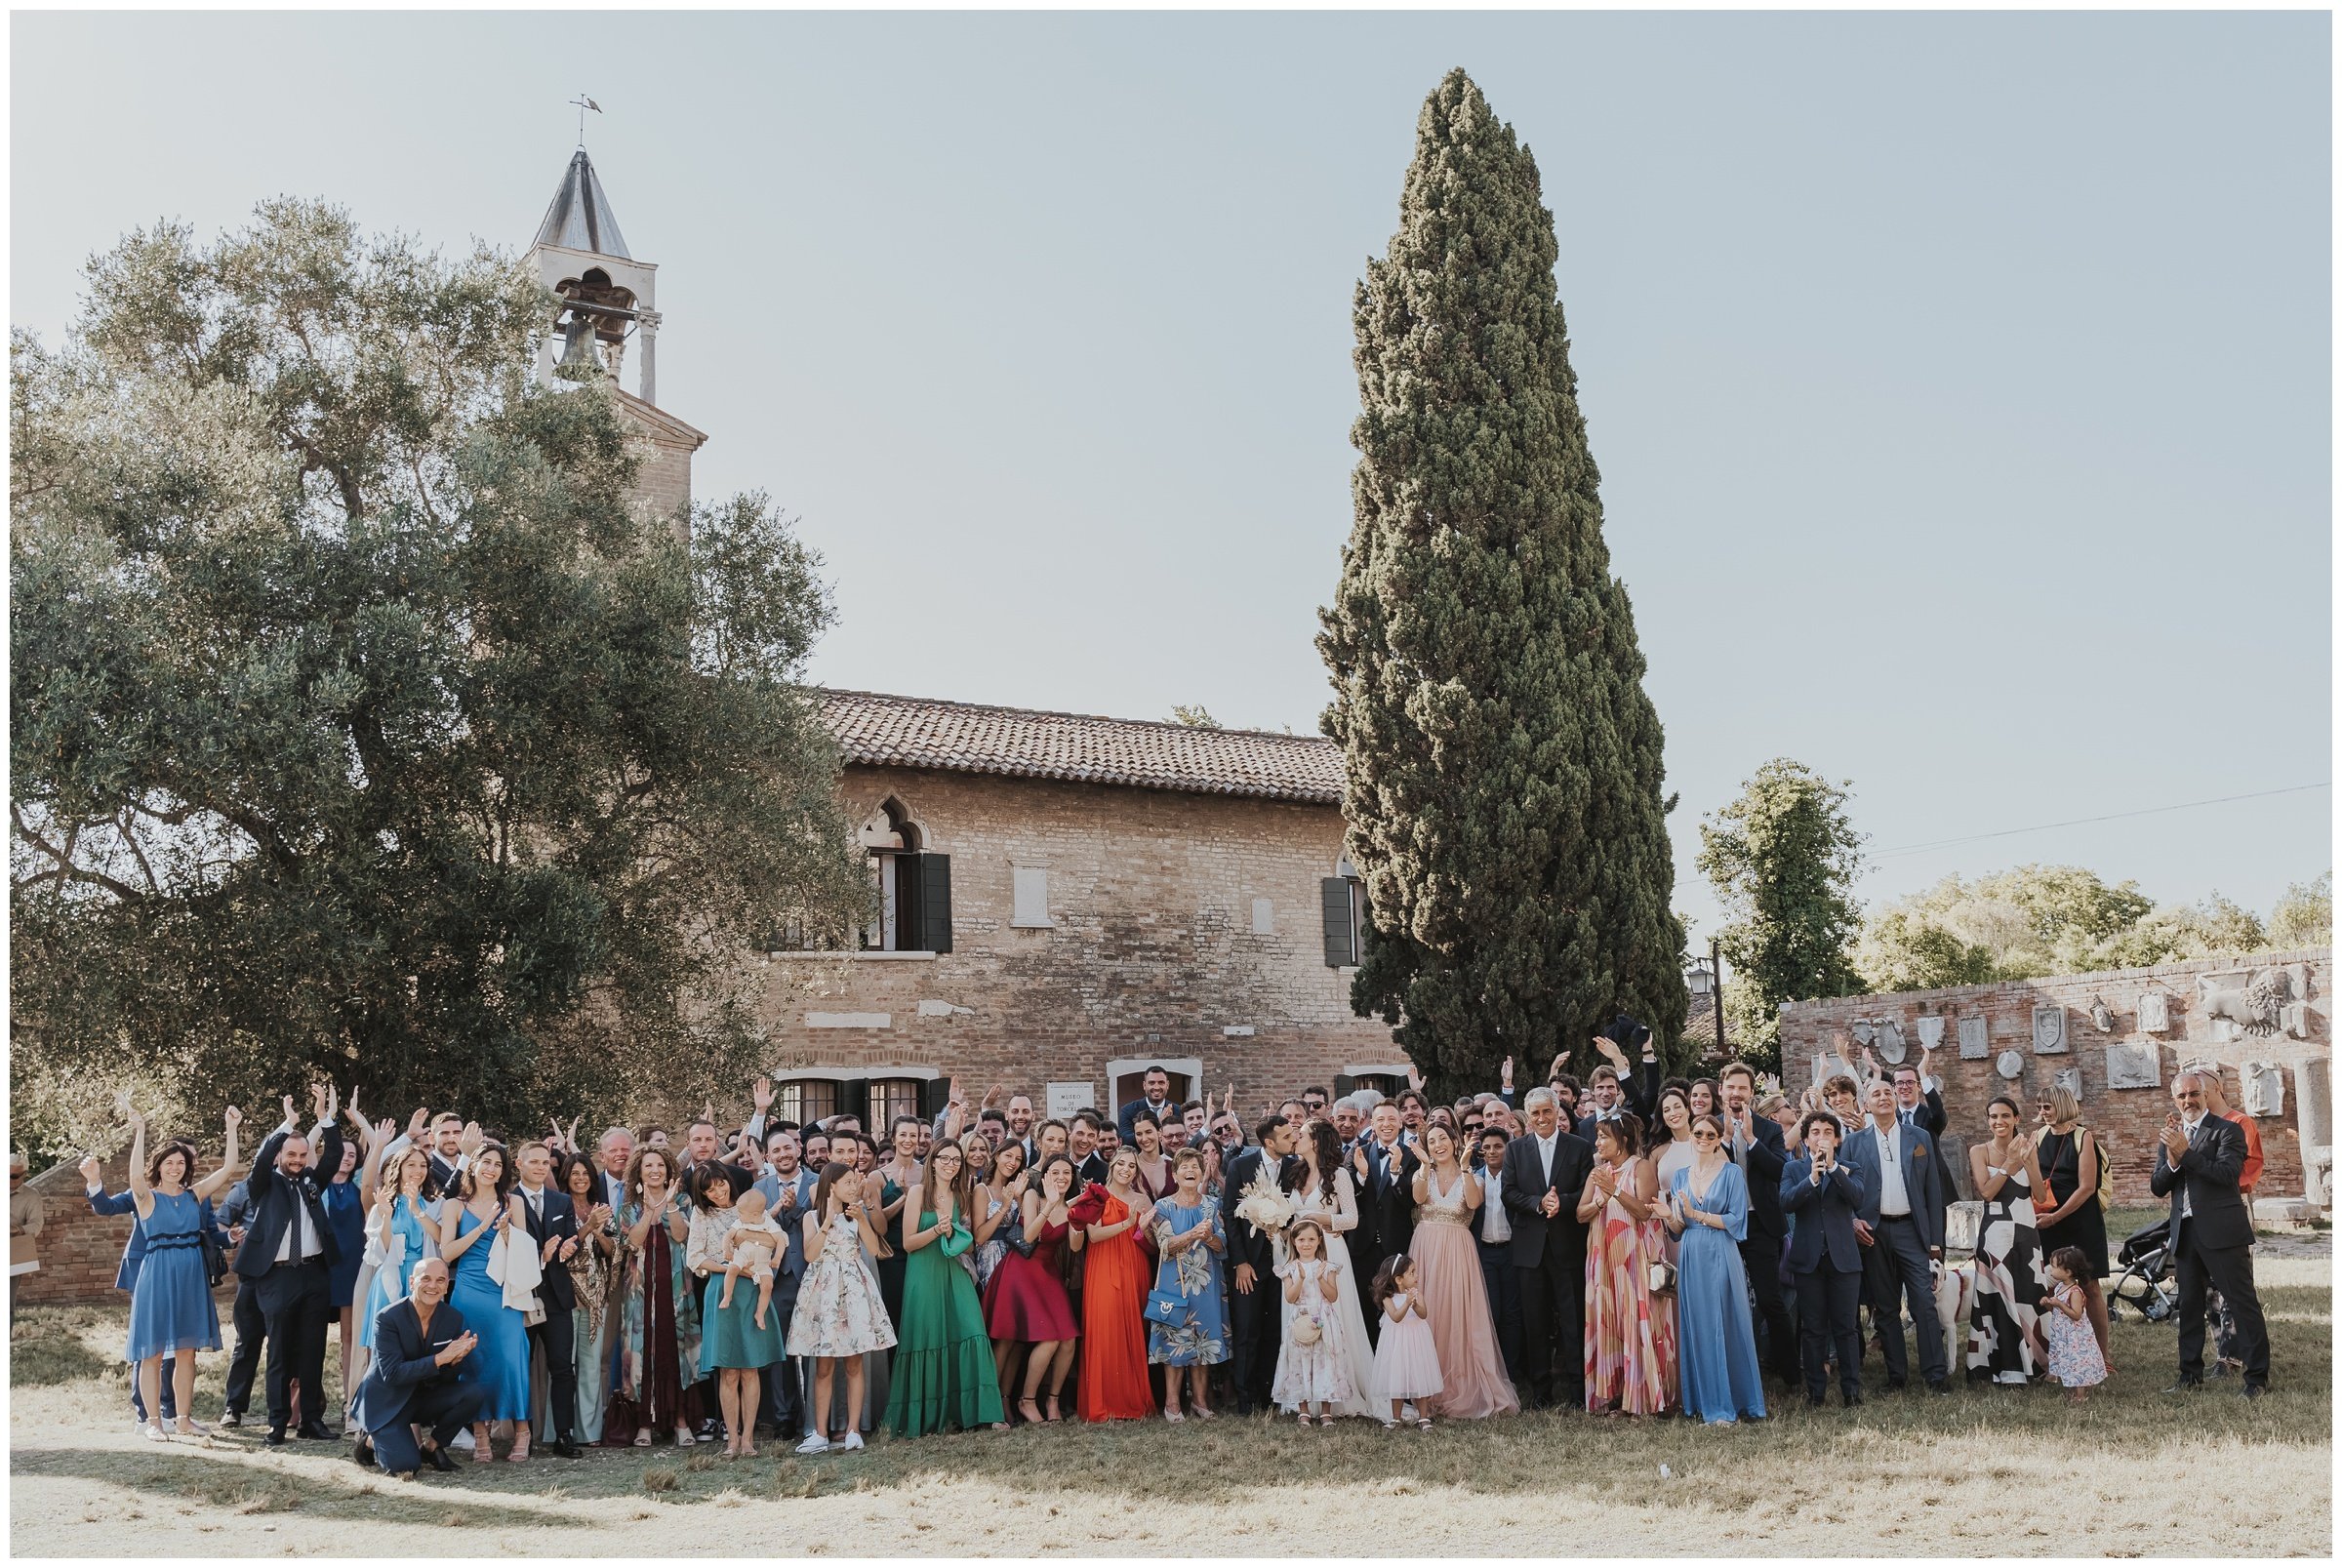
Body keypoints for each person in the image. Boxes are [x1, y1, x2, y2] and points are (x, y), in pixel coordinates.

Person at [121, 1102, 242, 1439]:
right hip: (158, 1272)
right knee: (153, 1351)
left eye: (180, 1163)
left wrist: (231, 1128)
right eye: (168, 1163)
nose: (175, 1168)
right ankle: (154, 1423)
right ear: (158, 1166)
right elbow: (133, 1176)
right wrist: (140, 1130)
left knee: (187, 1351)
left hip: (190, 1272)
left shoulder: (195, 1195)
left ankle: (184, 1419)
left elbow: (230, 1167)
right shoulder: (146, 1197)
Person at [235, 1084, 346, 1446]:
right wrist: (287, 1124)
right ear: (280, 1155)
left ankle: (311, 1420)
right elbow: (260, 1159)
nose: (298, 1160)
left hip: (315, 1273)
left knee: (313, 1349)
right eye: (292, 1155)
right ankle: (277, 1422)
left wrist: (324, 1118)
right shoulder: (263, 1184)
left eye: (303, 1155)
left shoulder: (313, 1181)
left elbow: (333, 1156)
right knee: (280, 1351)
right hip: (276, 1277)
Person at [2151, 1070, 2269, 1397]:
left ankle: (2256, 1378)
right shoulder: (2172, 1135)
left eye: (2193, 1094)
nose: (2188, 1101)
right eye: (2181, 1096)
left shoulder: (2227, 1130)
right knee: (2188, 1306)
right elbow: (2158, 1186)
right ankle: (2189, 1375)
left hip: (2222, 1232)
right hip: (2185, 1232)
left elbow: (2227, 1174)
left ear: (2205, 1095)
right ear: (2174, 1100)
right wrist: (2173, 1159)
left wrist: (2185, 1153)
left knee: (2241, 1302)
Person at [886, 1140, 1007, 1436]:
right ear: (933, 1160)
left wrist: (956, 1234)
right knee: (927, 1337)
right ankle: (928, 1416)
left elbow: (967, 1243)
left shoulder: (961, 1195)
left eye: (956, 1160)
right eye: (945, 1158)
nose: (951, 1164)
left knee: (971, 1330)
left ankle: (983, 1412)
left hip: (954, 1272)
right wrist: (936, 1230)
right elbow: (908, 1243)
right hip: (924, 1272)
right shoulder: (917, 1193)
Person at [1842, 1081, 1951, 1394]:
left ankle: (1935, 1375)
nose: (1884, 1097)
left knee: (1923, 1303)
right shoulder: (1853, 1143)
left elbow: (1933, 1191)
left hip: (1912, 1231)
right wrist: (1852, 1221)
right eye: (1876, 1094)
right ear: (1866, 1105)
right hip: (1873, 1233)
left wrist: (1934, 1241)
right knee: (1886, 1307)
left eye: (1888, 1092)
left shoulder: (1919, 1138)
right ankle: (1897, 1376)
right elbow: (1844, 1191)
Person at [1407, 1123, 1517, 1419]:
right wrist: (1423, 1164)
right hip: (1426, 1248)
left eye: (1442, 1138)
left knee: (1456, 1314)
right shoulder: (1424, 1174)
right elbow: (1418, 1199)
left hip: (1458, 1250)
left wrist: (1467, 1168)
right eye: (1431, 1141)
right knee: (1428, 1311)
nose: (1438, 1144)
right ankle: (1425, 1385)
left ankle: (1458, 1383)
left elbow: (1472, 1202)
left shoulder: (1474, 1176)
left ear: (1455, 1141)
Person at [787, 1163, 897, 1454]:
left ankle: (853, 1429)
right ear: (831, 1185)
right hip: (823, 1291)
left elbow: (873, 1250)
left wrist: (862, 1219)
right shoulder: (811, 1217)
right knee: (822, 1366)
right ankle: (820, 1433)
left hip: (853, 1289)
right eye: (848, 1182)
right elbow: (811, 1254)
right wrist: (827, 1223)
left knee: (854, 1362)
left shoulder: (855, 1215)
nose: (853, 1187)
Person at [1663, 1114, 1766, 1425]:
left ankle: (1733, 1402)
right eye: (1698, 1133)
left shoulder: (1732, 1173)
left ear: (1719, 1138)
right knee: (1699, 1324)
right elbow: (1679, 1228)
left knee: (1726, 1322)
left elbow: (1737, 1221)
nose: (1704, 1139)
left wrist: (1698, 1213)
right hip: (1691, 1253)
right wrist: (1665, 1215)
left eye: (1710, 1134)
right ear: (1691, 1136)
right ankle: (1702, 1400)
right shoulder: (1680, 1176)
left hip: (1721, 1249)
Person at [436, 1141, 535, 1460]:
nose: (492, 1169)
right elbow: (447, 1253)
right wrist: (481, 1228)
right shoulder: (454, 1206)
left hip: (504, 1290)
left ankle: (522, 1430)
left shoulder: (513, 1203)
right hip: (469, 1291)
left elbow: (525, 1251)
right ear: (474, 1165)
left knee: (511, 1357)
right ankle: (481, 1434)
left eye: (498, 1164)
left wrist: (506, 1233)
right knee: (473, 1360)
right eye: (486, 1162)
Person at [347, 1258, 486, 1479]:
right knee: (406, 1467)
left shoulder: (452, 1318)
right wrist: (441, 1358)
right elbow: (392, 1375)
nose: (433, 1286)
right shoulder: (387, 1318)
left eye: (440, 1280)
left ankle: (432, 1447)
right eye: (426, 1279)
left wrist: (455, 1360)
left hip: (422, 1397)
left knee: (473, 1393)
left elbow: (447, 1379)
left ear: (446, 1286)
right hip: (386, 1402)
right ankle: (371, 1440)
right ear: (412, 1282)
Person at [1503, 1087, 1594, 1410]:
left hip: (1567, 1245)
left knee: (1573, 1321)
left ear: (1558, 1112)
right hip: (1529, 1250)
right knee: (1535, 1321)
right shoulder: (1515, 1149)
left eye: (1547, 1111)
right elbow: (1509, 1194)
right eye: (1535, 1113)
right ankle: (1541, 1392)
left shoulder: (1580, 1147)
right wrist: (1539, 1203)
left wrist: (1562, 1203)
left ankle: (1579, 1391)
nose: (1541, 1118)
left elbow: (1587, 1190)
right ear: (1528, 1116)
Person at [1577, 1114, 1670, 1416]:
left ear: (1624, 1140)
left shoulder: (1641, 1167)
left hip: (1633, 1254)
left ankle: (1641, 1397)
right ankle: (1614, 1394)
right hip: (1604, 1257)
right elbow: (1580, 1214)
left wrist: (1614, 1190)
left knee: (1635, 1318)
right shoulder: (1598, 1172)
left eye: (1604, 1137)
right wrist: (1600, 1202)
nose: (1598, 1142)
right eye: (1598, 1137)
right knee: (1610, 1320)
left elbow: (1644, 1211)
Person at [688, 1164, 782, 1457]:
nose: (718, 1192)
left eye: (720, 1184)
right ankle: (731, 1440)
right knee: (728, 1370)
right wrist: (731, 1268)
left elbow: (771, 1239)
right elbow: (695, 1257)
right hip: (723, 1287)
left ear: (728, 1180)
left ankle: (748, 1439)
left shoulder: (751, 1210)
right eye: (710, 1189)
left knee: (750, 1368)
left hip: (753, 1288)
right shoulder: (701, 1214)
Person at [1285, 1119, 1376, 1418]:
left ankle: (1338, 1394)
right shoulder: (1296, 1173)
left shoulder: (1339, 1175)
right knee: (1302, 1315)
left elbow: (1351, 1219)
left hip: (1329, 1251)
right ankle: (1305, 1395)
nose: (1295, 1138)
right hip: (1300, 1253)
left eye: (1301, 1135)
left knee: (1333, 1320)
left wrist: (1317, 1218)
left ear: (1315, 1142)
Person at [611, 1146, 702, 1447]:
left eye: (660, 1165)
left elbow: (680, 1236)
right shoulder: (629, 1208)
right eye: (648, 1165)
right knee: (643, 1355)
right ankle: (644, 1424)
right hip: (639, 1295)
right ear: (639, 1171)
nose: (654, 1170)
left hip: (676, 1294)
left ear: (668, 1170)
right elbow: (632, 1242)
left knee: (675, 1355)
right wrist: (649, 1210)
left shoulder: (684, 1201)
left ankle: (680, 1422)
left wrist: (670, 1204)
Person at [988, 1152, 1082, 1423]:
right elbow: (1029, 1235)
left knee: (1068, 1338)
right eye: (1055, 1173)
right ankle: (1024, 1401)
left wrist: (1077, 1220)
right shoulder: (1033, 1196)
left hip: (1047, 1272)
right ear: (1046, 1176)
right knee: (1017, 1338)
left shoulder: (1073, 1205)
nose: (1061, 1177)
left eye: (1066, 1173)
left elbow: (1075, 1247)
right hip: (1020, 1270)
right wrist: (1050, 1206)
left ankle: (1052, 1401)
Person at [1782, 1110, 1866, 1408]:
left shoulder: (1851, 1168)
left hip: (1843, 1259)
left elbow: (1857, 1198)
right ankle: (1816, 1391)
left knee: (1846, 1327)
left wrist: (1832, 1170)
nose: (1821, 1137)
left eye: (1828, 1132)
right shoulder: (1793, 1169)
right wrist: (1812, 1178)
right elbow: (1787, 1202)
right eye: (1815, 1132)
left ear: (1838, 1138)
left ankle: (1851, 1391)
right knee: (1813, 1328)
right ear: (1805, 1139)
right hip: (1808, 1260)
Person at [1718, 1062, 1797, 1385]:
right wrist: (1724, 1140)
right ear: (1721, 1089)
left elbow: (1780, 1170)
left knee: (1769, 1299)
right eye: (1731, 1087)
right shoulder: (1707, 1125)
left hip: (1760, 1224)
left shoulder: (1768, 1129)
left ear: (1751, 1093)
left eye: (1742, 1088)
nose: (1736, 1093)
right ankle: (1730, 1374)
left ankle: (1791, 1374)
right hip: (1722, 1224)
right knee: (1726, 1301)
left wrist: (1750, 1139)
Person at [1964, 1095, 2046, 1387]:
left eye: (2004, 1116)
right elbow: (1986, 1192)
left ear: (2016, 1119)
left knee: (2028, 1296)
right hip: (1996, 1235)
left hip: (2026, 1233)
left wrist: (2028, 1160)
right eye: (1993, 1117)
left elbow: (2039, 1195)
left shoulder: (2028, 1148)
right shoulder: (1979, 1151)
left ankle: (2035, 1363)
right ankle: (2001, 1366)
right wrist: (2009, 1164)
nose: (1998, 1122)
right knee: (1998, 1298)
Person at [1220, 1113, 1296, 1415]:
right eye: (1287, 1136)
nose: (1293, 1140)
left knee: (1276, 1329)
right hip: (1249, 1264)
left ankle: (1272, 1394)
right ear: (1269, 1142)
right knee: (1247, 1329)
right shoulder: (1241, 1166)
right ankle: (1246, 1398)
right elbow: (1229, 1214)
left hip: (1283, 1262)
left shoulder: (1294, 1168)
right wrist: (1239, 1261)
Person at [512, 1140, 584, 1458]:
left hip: (555, 1297)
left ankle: (564, 1435)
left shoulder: (561, 1201)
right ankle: (521, 1433)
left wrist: (571, 1248)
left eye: (545, 1163)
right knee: (520, 1366)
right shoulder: (507, 1200)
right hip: (519, 1296)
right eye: (534, 1162)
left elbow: (571, 1240)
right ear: (519, 1164)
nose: (541, 1168)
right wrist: (539, 1255)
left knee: (562, 1367)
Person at [1146, 1146, 1229, 1421]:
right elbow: (1166, 1245)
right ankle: (1172, 1403)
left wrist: (1208, 1238)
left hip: (1206, 1282)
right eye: (1185, 1167)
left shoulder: (1211, 1205)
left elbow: (1222, 1245)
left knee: (1203, 1340)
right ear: (1175, 1174)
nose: (1191, 1171)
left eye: (1196, 1166)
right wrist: (1193, 1232)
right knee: (1174, 1342)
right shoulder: (1163, 1206)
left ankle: (1200, 1401)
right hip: (1175, 1281)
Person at [1076, 1146, 1156, 1421]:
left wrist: (1143, 1229)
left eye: (1132, 1166)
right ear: (1111, 1166)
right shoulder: (1096, 1194)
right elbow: (1095, 1235)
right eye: (1121, 1164)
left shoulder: (1143, 1199)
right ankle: (1104, 1403)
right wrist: (1127, 1223)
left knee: (1132, 1329)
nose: (1126, 1169)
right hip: (1103, 1266)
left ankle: (1131, 1401)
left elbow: (1152, 1245)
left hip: (1134, 1266)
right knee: (1104, 1329)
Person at [356, 1143, 440, 1400]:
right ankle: (375, 1408)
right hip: (391, 1277)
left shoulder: (435, 1203)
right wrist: (385, 1214)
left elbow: (440, 1241)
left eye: (423, 1165)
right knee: (384, 1348)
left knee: (418, 1348)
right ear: (399, 1168)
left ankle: (413, 1411)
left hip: (423, 1281)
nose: (418, 1170)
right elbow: (379, 1251)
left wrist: (418, 1209)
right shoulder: (385, 1202)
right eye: (411, 1164)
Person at [551, 1150, 618, 1444]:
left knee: (591, 1367)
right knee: (564, 1367)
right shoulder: (558, 1207)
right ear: (567, 1176)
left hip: (595, 1296)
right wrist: (588, 1226)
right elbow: (560, 1253)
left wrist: (600, 1232)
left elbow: (612, 1252)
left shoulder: (602, 1209)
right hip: (564, 1296)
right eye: (575, 1173)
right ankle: (559, 1430)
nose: (580, 1178)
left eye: (586, 1174)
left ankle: (588, 1432)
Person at [1272, 1219, 1352, 1426]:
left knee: (1326, 1362)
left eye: (1311, 1239)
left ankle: (1326, 1410)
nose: (1306, 1244)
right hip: (1300, 1319)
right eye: (1301, 1240)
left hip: (1324, 1318)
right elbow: (1290, 1297)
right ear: (1294, 1242)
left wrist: (1320, 1278)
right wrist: (1299, 1278)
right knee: (1300, 1362)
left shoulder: (1327, 1267)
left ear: (1319, 1242)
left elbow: (1333, 1296)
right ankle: (1303, 1409)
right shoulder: (1289, 1268)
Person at [1353, 1101, 1420, 1330]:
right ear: (1372, 1124)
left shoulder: (1412, 1156)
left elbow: (1411, 1199)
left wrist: (1395, 1171)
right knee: (1365, 1309)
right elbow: (1350, 1195)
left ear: (1400, 1123)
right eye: (1380, 1119)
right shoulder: (1360, 1151)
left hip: (1396, 1244)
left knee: (1395, 1309)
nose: (1386, 1124)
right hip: (1364, 1245)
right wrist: (1361, 1175)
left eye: (1392, 1119)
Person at [2032, 1085, 2108, 1281]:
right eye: (2039, 1107)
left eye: (2047, 1107)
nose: (2042, 1112)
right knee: (2049, 1280)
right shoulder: (2040, 1135)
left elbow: (2087, 1186)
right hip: (2048, 1218)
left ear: (2061, 1105)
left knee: (2088, 1283)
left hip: (2080, 1219)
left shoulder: (2082, 1136)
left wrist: (2056, 1217)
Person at [1472, 1127, 1526, 1387]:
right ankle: (1491, 1373)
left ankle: (1512, 1375)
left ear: (1508, 1148)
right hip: (1485, 1253)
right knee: (1491, 1312)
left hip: (1512, 1251)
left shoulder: (1517, 1177)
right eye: (1487, 1148)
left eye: (1498, 1146)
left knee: (1513, 1314)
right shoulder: (1475, 1177)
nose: (1492, 1152)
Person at [1369, 1255, 1440, 1430]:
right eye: (1412, 1272)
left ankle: (1423, 1418)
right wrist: (1407, 1303)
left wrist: (1415, 1303)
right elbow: (1396, 1317)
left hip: (1416, 1342)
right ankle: (1396, 1418)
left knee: (1419, 1377)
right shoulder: (1388, 1298)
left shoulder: (1417, 1294)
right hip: (1397, 1344)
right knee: (1397, 1378)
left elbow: (1423, 1314)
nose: (1417, 1276)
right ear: (1399, 1279)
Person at [2041, 1246, 2109, 1402]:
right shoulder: (2059, 1287)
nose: (2051, 1270)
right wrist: (2048, 1304)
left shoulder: (2075, 1292)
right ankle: (2072, 1390)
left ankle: (2080, 1394)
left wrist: (2060, 1304)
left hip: (2075, 1336)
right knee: (2068, 1362)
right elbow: (2055, 1310)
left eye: (2055, 1267)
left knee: (2077, 1362)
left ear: (2068, 1272)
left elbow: (2076, 1315)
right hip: (2063, 1334)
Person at [1116, 1065, 1179, 1146]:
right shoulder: (1128, 1110)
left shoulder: (1178, 1111)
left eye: (1161, 1082)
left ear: (1167, 1085)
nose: (1156, 1087)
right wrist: (1158, 1124)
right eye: (1152, 1083)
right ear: (1144, 1085)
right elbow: (1126, 1140)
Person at [1129, 1113, 1175, 1203]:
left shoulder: (1173, 1166)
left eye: (1148, 1132)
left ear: (1160, 1133)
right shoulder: (1130, 1166)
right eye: (1139, 1134)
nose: (1144, 1138)